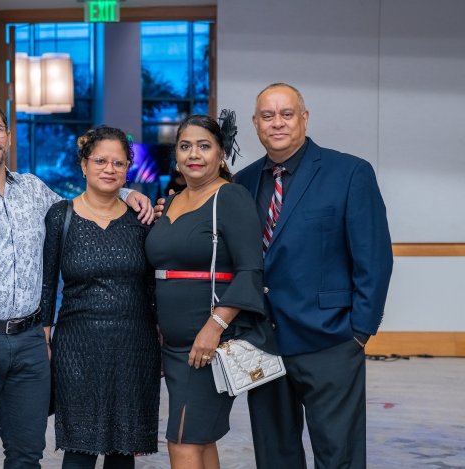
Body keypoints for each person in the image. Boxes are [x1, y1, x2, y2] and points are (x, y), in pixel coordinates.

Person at [0, 98, 155, 468]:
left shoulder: (32, 190)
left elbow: (85, 205)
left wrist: (127, 193)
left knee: (27, 454)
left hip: (29, 343)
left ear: (8, 136)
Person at [235, 83, 394, 469]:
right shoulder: (243, 182)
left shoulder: (349, 172)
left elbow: (374, 257)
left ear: (304, 119)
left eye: (286, 114)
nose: (277, 123)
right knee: (275, 456)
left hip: (330, 340)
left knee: (338, 455)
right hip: (264, 342)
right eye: (267, 116)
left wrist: (360, 331)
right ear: (256, 123)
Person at [145, 112, 277, 469]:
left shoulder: (230, 197)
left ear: (221, 153)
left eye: (204, 146)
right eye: (185, 146)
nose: (194, 154)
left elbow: (250, 271)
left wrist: (214, 327)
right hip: (173, 345)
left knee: (182, 440)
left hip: (209, 343)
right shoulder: (170, 202)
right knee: (199, 438)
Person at [40, 126, 161, 469]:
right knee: (79, 448)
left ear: (127, 169)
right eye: (100, 161)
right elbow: (46, 286)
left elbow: (151, 286)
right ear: (84, 165)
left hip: (134, 346)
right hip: (77, 347)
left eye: (118, 163)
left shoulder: (142, 219)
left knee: (123, 450)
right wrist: (43, 340)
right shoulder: (60, 216)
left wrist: (162, 334)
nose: (109, 169)